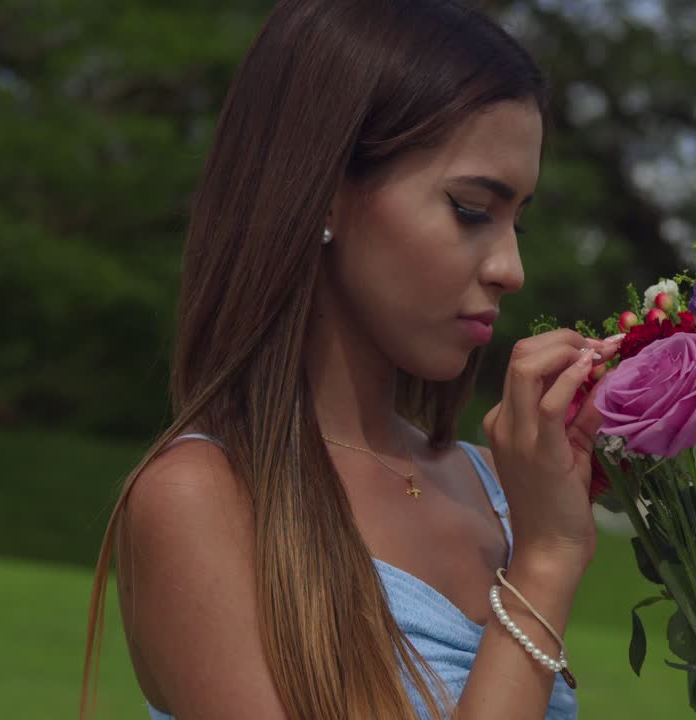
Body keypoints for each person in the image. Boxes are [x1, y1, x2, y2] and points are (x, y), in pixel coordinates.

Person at [80, 1, 621, 717]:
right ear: (325, 195)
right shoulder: (203, 500)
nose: (511, 269)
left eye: (517, 219)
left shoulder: (494, 487)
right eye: (469, 209)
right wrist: (546, 560)